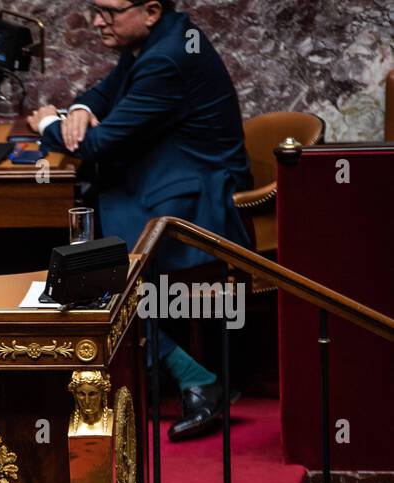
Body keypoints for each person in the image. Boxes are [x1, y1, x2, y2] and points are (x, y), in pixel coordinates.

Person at [27, 0, 251, 440]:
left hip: (197, 197)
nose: (96, 21)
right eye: (94, 9)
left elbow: (101, 143)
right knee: (82, 254)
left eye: (108, 11)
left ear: (150, 10)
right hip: (163, 177)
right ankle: (162, 370)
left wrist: (46, 126)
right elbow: (104, 93)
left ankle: (195, 380)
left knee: (94, 269)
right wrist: (77, 110)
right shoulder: (156, 39)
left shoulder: (168, 56)